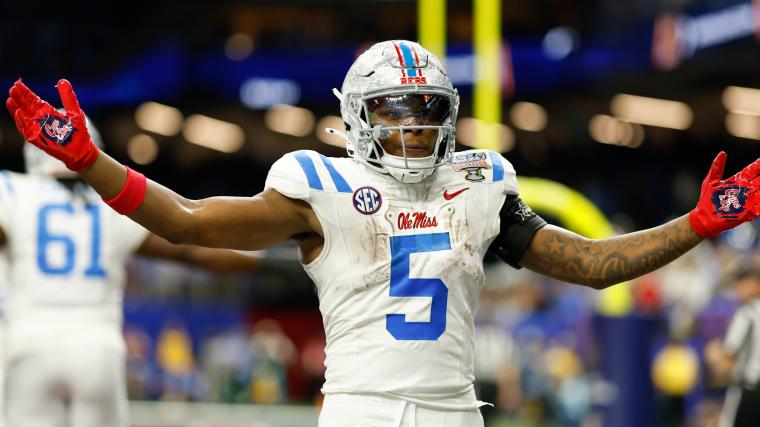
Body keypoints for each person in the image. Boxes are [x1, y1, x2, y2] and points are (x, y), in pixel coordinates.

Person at [6, 40, 760, 426]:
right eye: (394, 110)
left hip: (455, 408)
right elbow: (188, 219)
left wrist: (699, 222)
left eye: (427, 110)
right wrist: (91, 161)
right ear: (357, 116)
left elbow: (594, 264)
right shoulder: (318, 187)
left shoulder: (480, 182)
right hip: (364, 408)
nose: (414, 127)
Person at [0, 120, 263, 427]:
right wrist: (271, 261)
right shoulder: (111, 202)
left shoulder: (13, 191)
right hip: (96, 346)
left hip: (29, 342)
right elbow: (189, 250)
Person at [707, 267, 760, 427]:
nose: (738, 289)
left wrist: (714, 355)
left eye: (743, 283)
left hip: (749, 390)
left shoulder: (747, 313)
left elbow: (728, 358)